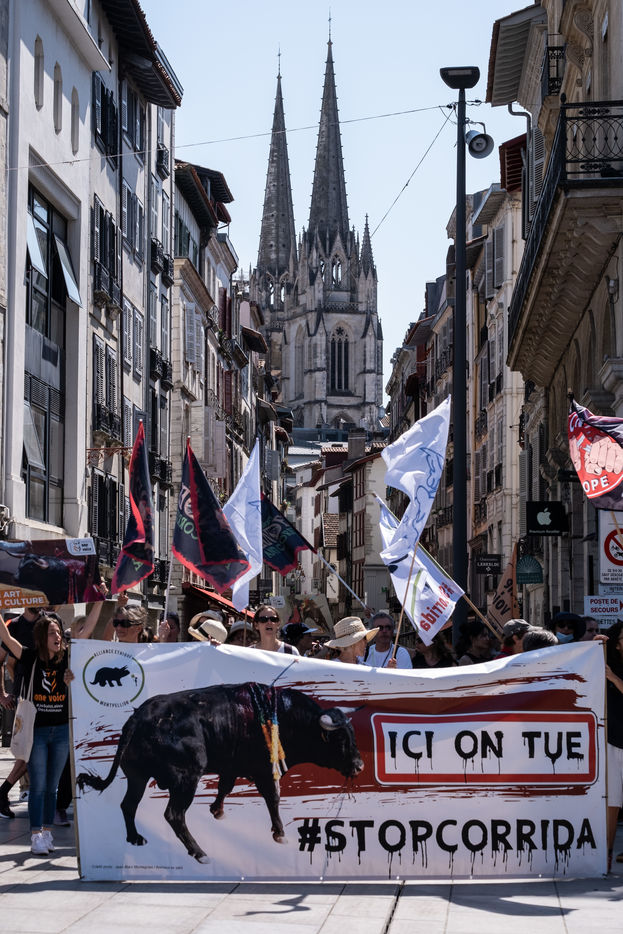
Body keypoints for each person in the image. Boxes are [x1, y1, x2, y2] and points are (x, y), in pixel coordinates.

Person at [0, 612, 74, 856]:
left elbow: (85, 632)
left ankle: (47, 833)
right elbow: (7, 639)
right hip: (37, 732)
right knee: (39, 786)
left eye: (59, 632)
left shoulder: (66, 659)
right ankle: (35, 835)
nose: (58, 636)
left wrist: (96, 603)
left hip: (61, 731)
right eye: (52, 633)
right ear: (42, 638)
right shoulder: (30, 656)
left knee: (52, 788)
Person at [604, 619, 623, 871]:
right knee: (612, 800)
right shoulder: (607, 663)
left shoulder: (611, 672)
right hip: (613, 740)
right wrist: (596, 644)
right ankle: (606, 853)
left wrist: (613, 678)